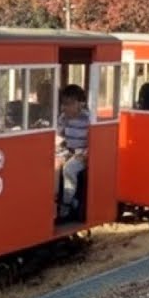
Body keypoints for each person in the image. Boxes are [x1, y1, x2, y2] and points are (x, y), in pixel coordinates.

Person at [54, 84, 90, 220]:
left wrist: (85, 155)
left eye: (69, 104)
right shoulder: (63, 118)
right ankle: (54, 200)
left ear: (80, 104)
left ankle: (67, 204)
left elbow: (95, 140)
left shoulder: (88, 119)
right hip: (68, 151)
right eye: (63, 104)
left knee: (69, 169)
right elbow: (58, 137)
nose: (65, 107)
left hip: (82, 154)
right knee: (53, 165)